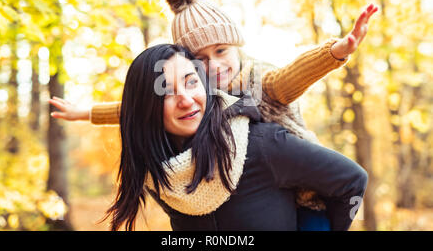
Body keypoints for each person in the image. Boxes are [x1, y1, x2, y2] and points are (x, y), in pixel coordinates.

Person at [49, 0, 378, 229]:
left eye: (221, 51)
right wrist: (87, 112)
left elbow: (290, 78)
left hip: (309, 195)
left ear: (235, 45)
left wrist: (336, 52)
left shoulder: (257, 82)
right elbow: (141, 109)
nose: (215, 65)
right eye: (200, 60)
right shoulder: (197, 96)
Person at [104, 43, 368, 231]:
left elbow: (352, 180)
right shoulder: (159, 173)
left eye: (191, 82)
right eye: (166, 93)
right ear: (145, 108)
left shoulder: (263, 145)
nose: (185, 100)